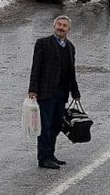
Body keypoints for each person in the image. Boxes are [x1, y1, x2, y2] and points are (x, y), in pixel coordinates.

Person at [28, 15, 81, 169]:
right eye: (58, 24)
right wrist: (33, 89)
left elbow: (71, 72)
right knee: (45, 126)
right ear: (54, 26)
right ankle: (43, 158)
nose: (61, 27)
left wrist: (75, 92)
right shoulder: (43, 44)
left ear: (68, 30)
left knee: (56, 125)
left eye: (64, 25)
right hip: (46, 92)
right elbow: (36, 68)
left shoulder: (70, 47)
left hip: (62, 93)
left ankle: (50, 154)